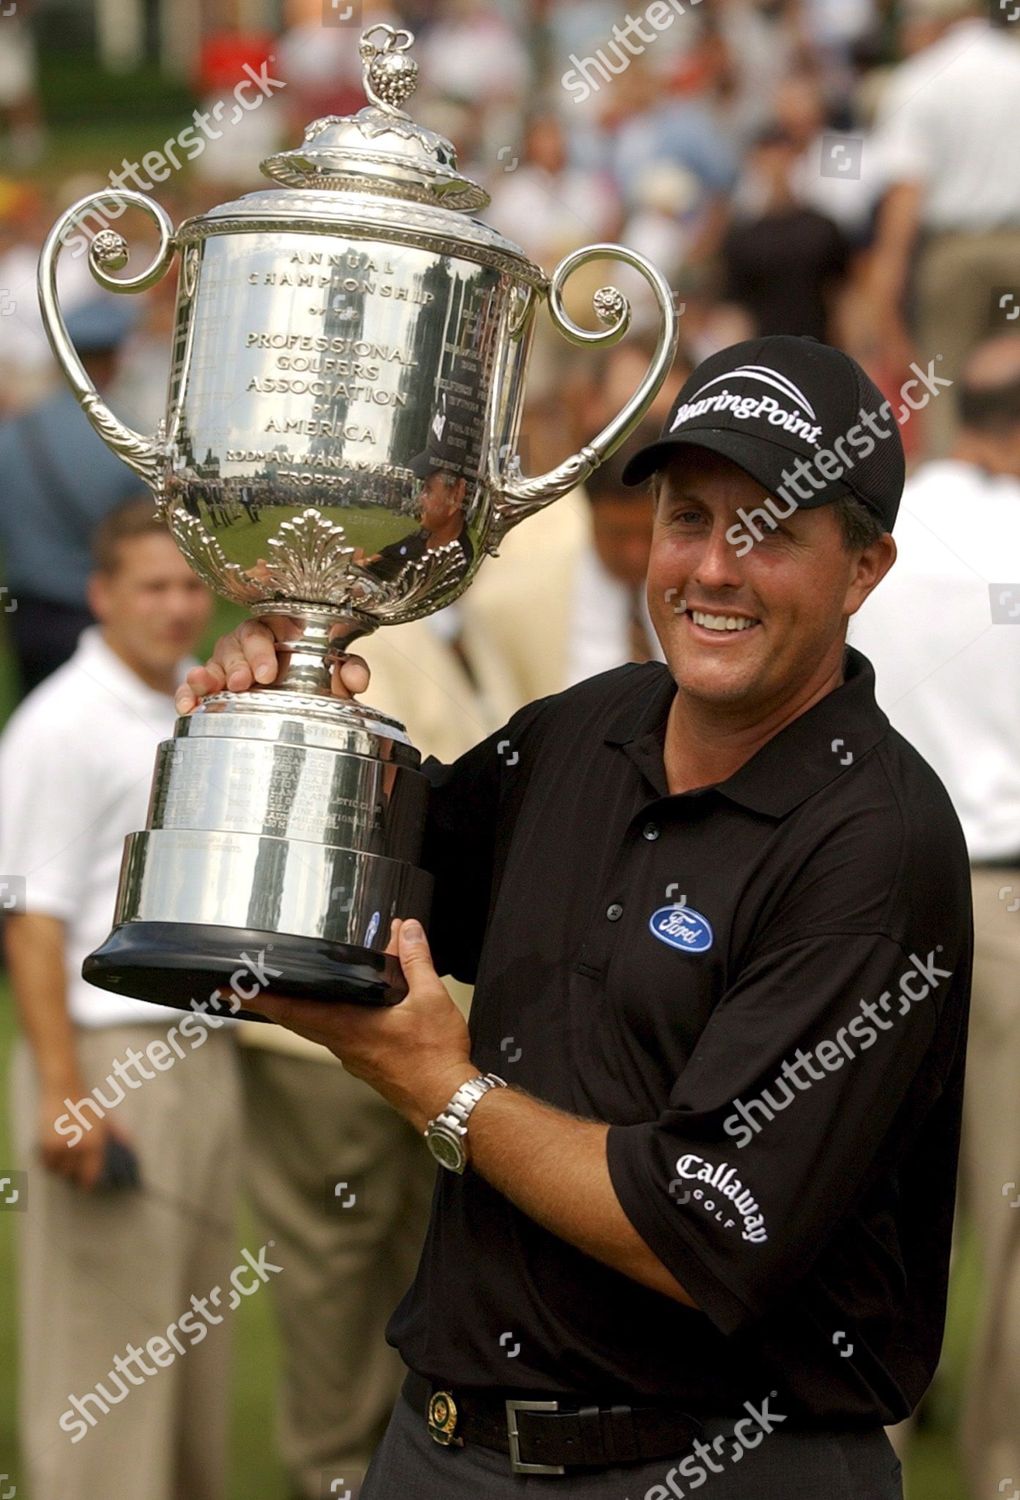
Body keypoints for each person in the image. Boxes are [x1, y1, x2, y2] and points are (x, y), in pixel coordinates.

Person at [176, 335, 973, 1498]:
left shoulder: (873, 844)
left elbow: (696, 1231)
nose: (713, 568)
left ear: (864, 568)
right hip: (443, 1448)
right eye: (690, 518)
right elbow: (353, 896)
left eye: (771, 532)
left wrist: (438, 1088)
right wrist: (281, 704)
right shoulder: (585, 729)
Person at [0, 499, 239, 1500]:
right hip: (102, 1066)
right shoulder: (60, 722)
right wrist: (64, 1092)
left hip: (198, 1062)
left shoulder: (174, 707)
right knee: (103, 1372)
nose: (178, 606)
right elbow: (32, 920)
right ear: (102, 595)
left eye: (191, 584)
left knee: (188, 1373)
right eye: (154, 585)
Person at [848, 332, 1020, 1500]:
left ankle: (857, 1451)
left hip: (870, 881)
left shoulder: (891, 546)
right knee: (1007, 1209)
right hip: (1000, 886)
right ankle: (1006, 1467)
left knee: (859, 1183)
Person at [867, 0, 1020, 454]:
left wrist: (885, 292)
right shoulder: (1015, 66)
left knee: (944, 391)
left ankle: (956, 507)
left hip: (952, 257)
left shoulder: (918, 79)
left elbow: (905, 195)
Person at [0, 297, 144, 695]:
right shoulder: (131, 442)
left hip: (28, 613)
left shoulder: (15, 434)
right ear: (114, 358)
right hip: (102, 613)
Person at [461, 430, 666, 708]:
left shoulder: (701, 582)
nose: (635, 553)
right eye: (618, 534)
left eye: (648, 534)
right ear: (589, 511)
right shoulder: (511, 600)